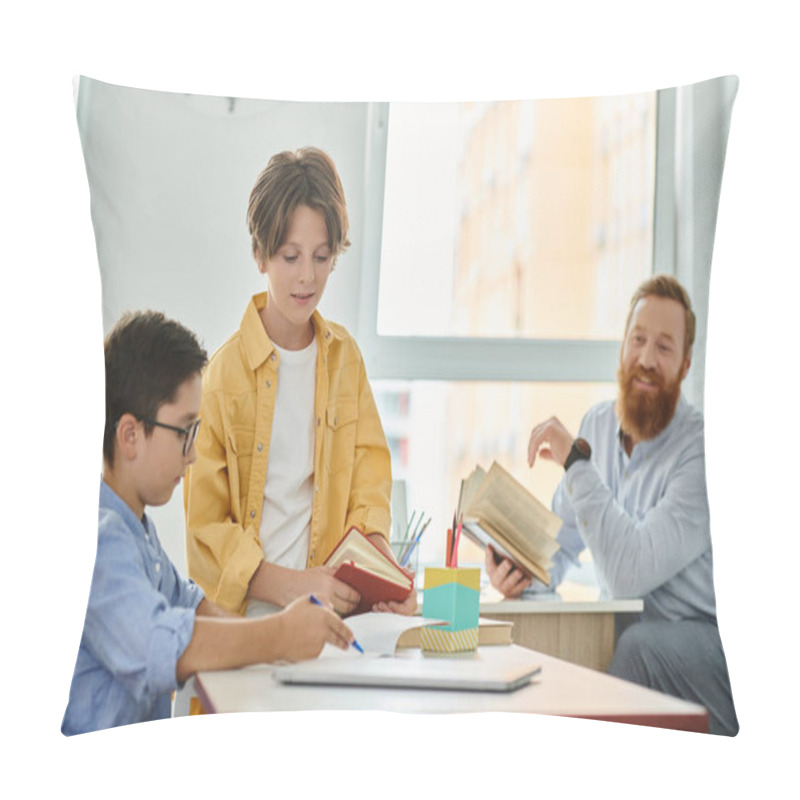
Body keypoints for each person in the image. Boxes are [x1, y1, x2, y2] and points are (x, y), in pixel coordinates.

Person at [62, 311, 355, 735]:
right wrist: (278, 635)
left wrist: (284, 634)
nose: (193, 453)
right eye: (185, 431)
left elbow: (193, 605)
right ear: (129, 436)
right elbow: (159, 647)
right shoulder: (97, 539)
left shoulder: (136, 530)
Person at [486, 274, 738, 736]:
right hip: (625, 632)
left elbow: (627, 575)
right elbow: (558, 549)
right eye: (638, 340)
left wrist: (576, 463)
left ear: (684, 366)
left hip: (700, 639)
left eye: (664, 347)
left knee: (636, 644)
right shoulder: (597, 424)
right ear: (622, 347)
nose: (646, 359)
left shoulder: (702, 450)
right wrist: (520, 574)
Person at [184, 147, 415, 619]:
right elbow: (206, 530)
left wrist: (382, 570)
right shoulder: (222, 377)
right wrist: (293, 587)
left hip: (330, 620)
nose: (307, 276)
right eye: (290, 256)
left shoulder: (345, 360)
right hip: (246, 623)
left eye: (322, 256)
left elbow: (368, 484)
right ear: (259, 254)